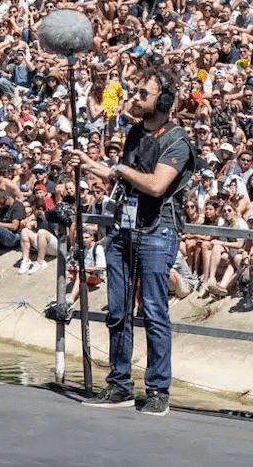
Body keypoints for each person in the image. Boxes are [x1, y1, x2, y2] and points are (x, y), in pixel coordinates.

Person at [77, 66, 192, 417]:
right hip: (125, 228)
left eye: (144, 93)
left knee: (155, 311)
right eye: (137, 91)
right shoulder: (133, 134)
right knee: (118, 310)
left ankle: (158, 390)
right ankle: (119, 384)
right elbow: (123, 180)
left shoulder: (177, 141)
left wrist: (119, 170)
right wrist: (93, 166)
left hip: (158, 230)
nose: (136, 98)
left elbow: (156, 185)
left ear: (165, 100)